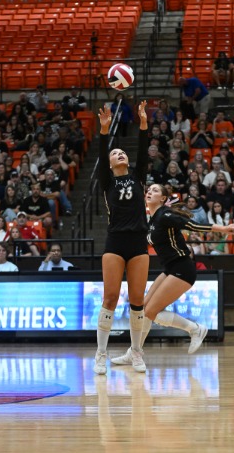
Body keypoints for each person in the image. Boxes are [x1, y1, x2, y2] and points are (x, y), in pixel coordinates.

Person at [111, 184, 234, 370]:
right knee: (143, 309)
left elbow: (192, 225)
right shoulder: (151, 221)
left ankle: (195, 329)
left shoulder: (165, 214)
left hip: (183, 268)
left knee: (150, 312)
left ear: (163, 198)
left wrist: (224, 229)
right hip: (170, 268)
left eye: (155, 190)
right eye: (149, 190)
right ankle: (134, 351)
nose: (150, 192)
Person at [93, 101, 149, 375]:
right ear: (110, 163)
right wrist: (104, 130)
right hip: (115, 242)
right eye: (115, 154)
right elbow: (102, 153)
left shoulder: (138, 176)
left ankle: (136, 352)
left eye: (122, 152)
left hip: (138, 242)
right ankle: (100, 354)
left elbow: (143, 150)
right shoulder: (107, 181)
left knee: (137, 300)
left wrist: (143, 123)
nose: (120, 154)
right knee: (111, 298)